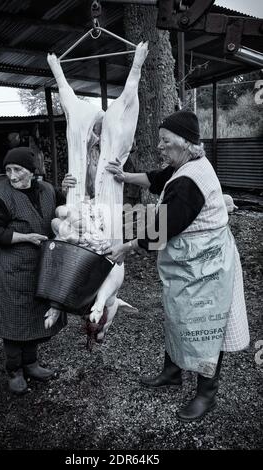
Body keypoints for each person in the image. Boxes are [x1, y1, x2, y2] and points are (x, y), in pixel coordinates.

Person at [106, 110, 250, 422]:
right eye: (159, 139)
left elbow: (163, 227)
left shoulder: (190, 182)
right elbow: (159, 180)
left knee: (205, 327)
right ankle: (172, 373)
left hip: (207, 267)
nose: (159, 146)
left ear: (185, 143)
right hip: (188, 264)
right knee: (176, 314)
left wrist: (127, 246)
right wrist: (125, 176)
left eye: (165, 141)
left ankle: (206, 394)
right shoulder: (184, 166)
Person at [0, 147, 76, 395]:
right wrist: (24, 237)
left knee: (34, 316)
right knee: (13, 321)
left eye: (18, 170)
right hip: (11, 269)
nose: (12, 176)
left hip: (41, 267)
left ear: (32, 172)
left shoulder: (47, 190)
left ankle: (31, 363)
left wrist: (68, 189)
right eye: (8, 170)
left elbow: (67, 207)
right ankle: (14, 371)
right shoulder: (0, 198)